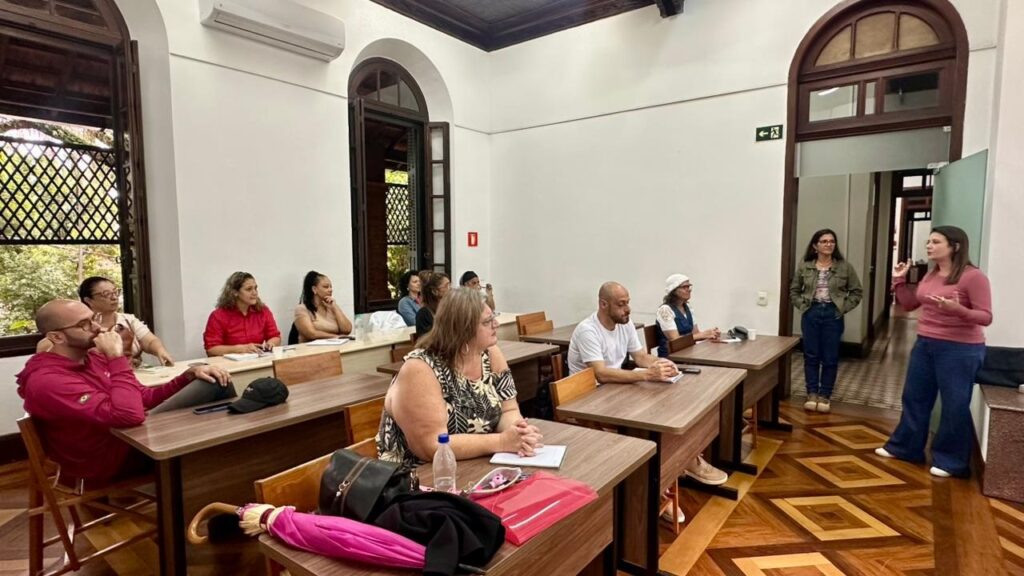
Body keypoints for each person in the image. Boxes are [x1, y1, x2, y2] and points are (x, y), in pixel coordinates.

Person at [18, 299, 233, 488]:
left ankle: (230, 476)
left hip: (128, 437)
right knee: (204, 424)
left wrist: (187, 376)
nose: (96, 328)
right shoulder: (47, 381)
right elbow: (130, 416)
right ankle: (207, 490)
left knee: (214, 381)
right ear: (56, 337)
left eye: (94, 319)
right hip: (107, 460)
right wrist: (116, 357)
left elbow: (144, 397)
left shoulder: (92, 358)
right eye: (84, 324)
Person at [377, 288, 543, 471]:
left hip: (476, 464)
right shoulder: (420, 369)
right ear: (464, 329)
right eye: (487, 321)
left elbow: (509, 408)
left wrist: (518, 432)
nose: (496, 324)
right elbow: (431, 446)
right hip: (417, 477)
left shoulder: (490, 353)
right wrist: (502, 441)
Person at [876, 226, 991, 478]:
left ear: (955, 246)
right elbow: (909, 304)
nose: (929, 245)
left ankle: (951, 461)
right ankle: (906, 448)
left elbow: (985, 317)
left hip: (960, 350)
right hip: (925, 344)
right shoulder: (930, 275)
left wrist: (956, 309)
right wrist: (899, 281)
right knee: (915, 398)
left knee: (954, 405)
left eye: (935, 242)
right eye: (928, 241)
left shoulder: (974, 277)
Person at [789, 229, 863, 414]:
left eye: (831, 241)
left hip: (832, 314)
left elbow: (856, 292)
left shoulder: (844, 267)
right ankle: (811, 393)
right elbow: (794, 290)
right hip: (811, 312)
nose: (829, 244)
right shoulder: (805, 266)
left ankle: (825, 395)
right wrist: (802, 306)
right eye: (824, 241)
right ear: (815, 246)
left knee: (830, 357)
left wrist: (843, 308)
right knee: (811, 355)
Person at [36, 276, 175, 367]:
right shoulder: (71, 334)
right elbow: (47, 348)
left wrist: (160, 351)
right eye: (106, 294)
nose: (114, 298)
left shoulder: (127, 320)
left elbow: (149, 341)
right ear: (88, 300)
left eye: (116, 292)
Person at [204, 272, 281, 356]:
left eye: (255, 288)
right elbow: (211, 350)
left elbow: (275, 336)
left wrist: (271, 343)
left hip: (257, 361)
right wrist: (240, 349)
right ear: (235, 292)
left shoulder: (263, 311)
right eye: (249, 289)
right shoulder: (218, 316)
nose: (255, 293)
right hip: (230, 365)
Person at [654, 273, 721, 357]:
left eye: (689, 287)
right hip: (671, 358)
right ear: (673, 290)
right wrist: (702, 335)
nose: (689, 290)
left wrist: (710, 334)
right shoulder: (665, 310)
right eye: (684, 287)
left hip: (688, 354)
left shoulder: (688, 307)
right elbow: (675, 340)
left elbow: (696, 333)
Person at [293, 271, 352, 342]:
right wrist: (336, 337)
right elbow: (311, 334)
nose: (330, 290)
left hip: (335, 347)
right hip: (312, 350)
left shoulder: (331, 307)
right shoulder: (302, 309)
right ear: (314, 289)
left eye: (331, 287)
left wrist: (335, 307)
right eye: (326, 287)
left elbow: (347, 330)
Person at [415, 272, 451, 338]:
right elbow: (426, 341)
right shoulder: (423, 314)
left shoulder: (449, 309)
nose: (450, 289)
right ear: (435, 291)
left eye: (450, 285)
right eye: (446, 286)